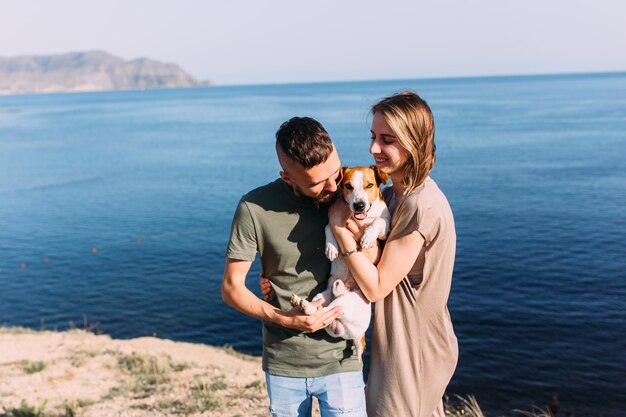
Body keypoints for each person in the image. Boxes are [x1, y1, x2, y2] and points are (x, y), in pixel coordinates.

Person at [222, 116, 372, 417]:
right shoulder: (254, 208)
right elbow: (231, 288)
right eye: (317, 183)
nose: (333, 186)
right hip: (284, 361)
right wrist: (285, 319)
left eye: (334, 171)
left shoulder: (349, 196)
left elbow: (376, 259)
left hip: (342, 357)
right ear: (287, 177)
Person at [327, 92, 458, 417]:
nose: (373, 148)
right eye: (373, 137)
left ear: (413, 143)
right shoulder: (390, 196)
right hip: (397, 340)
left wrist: (339, 229)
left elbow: (376, 286)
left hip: (413, 345)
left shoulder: (419, 204)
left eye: (386, 140)